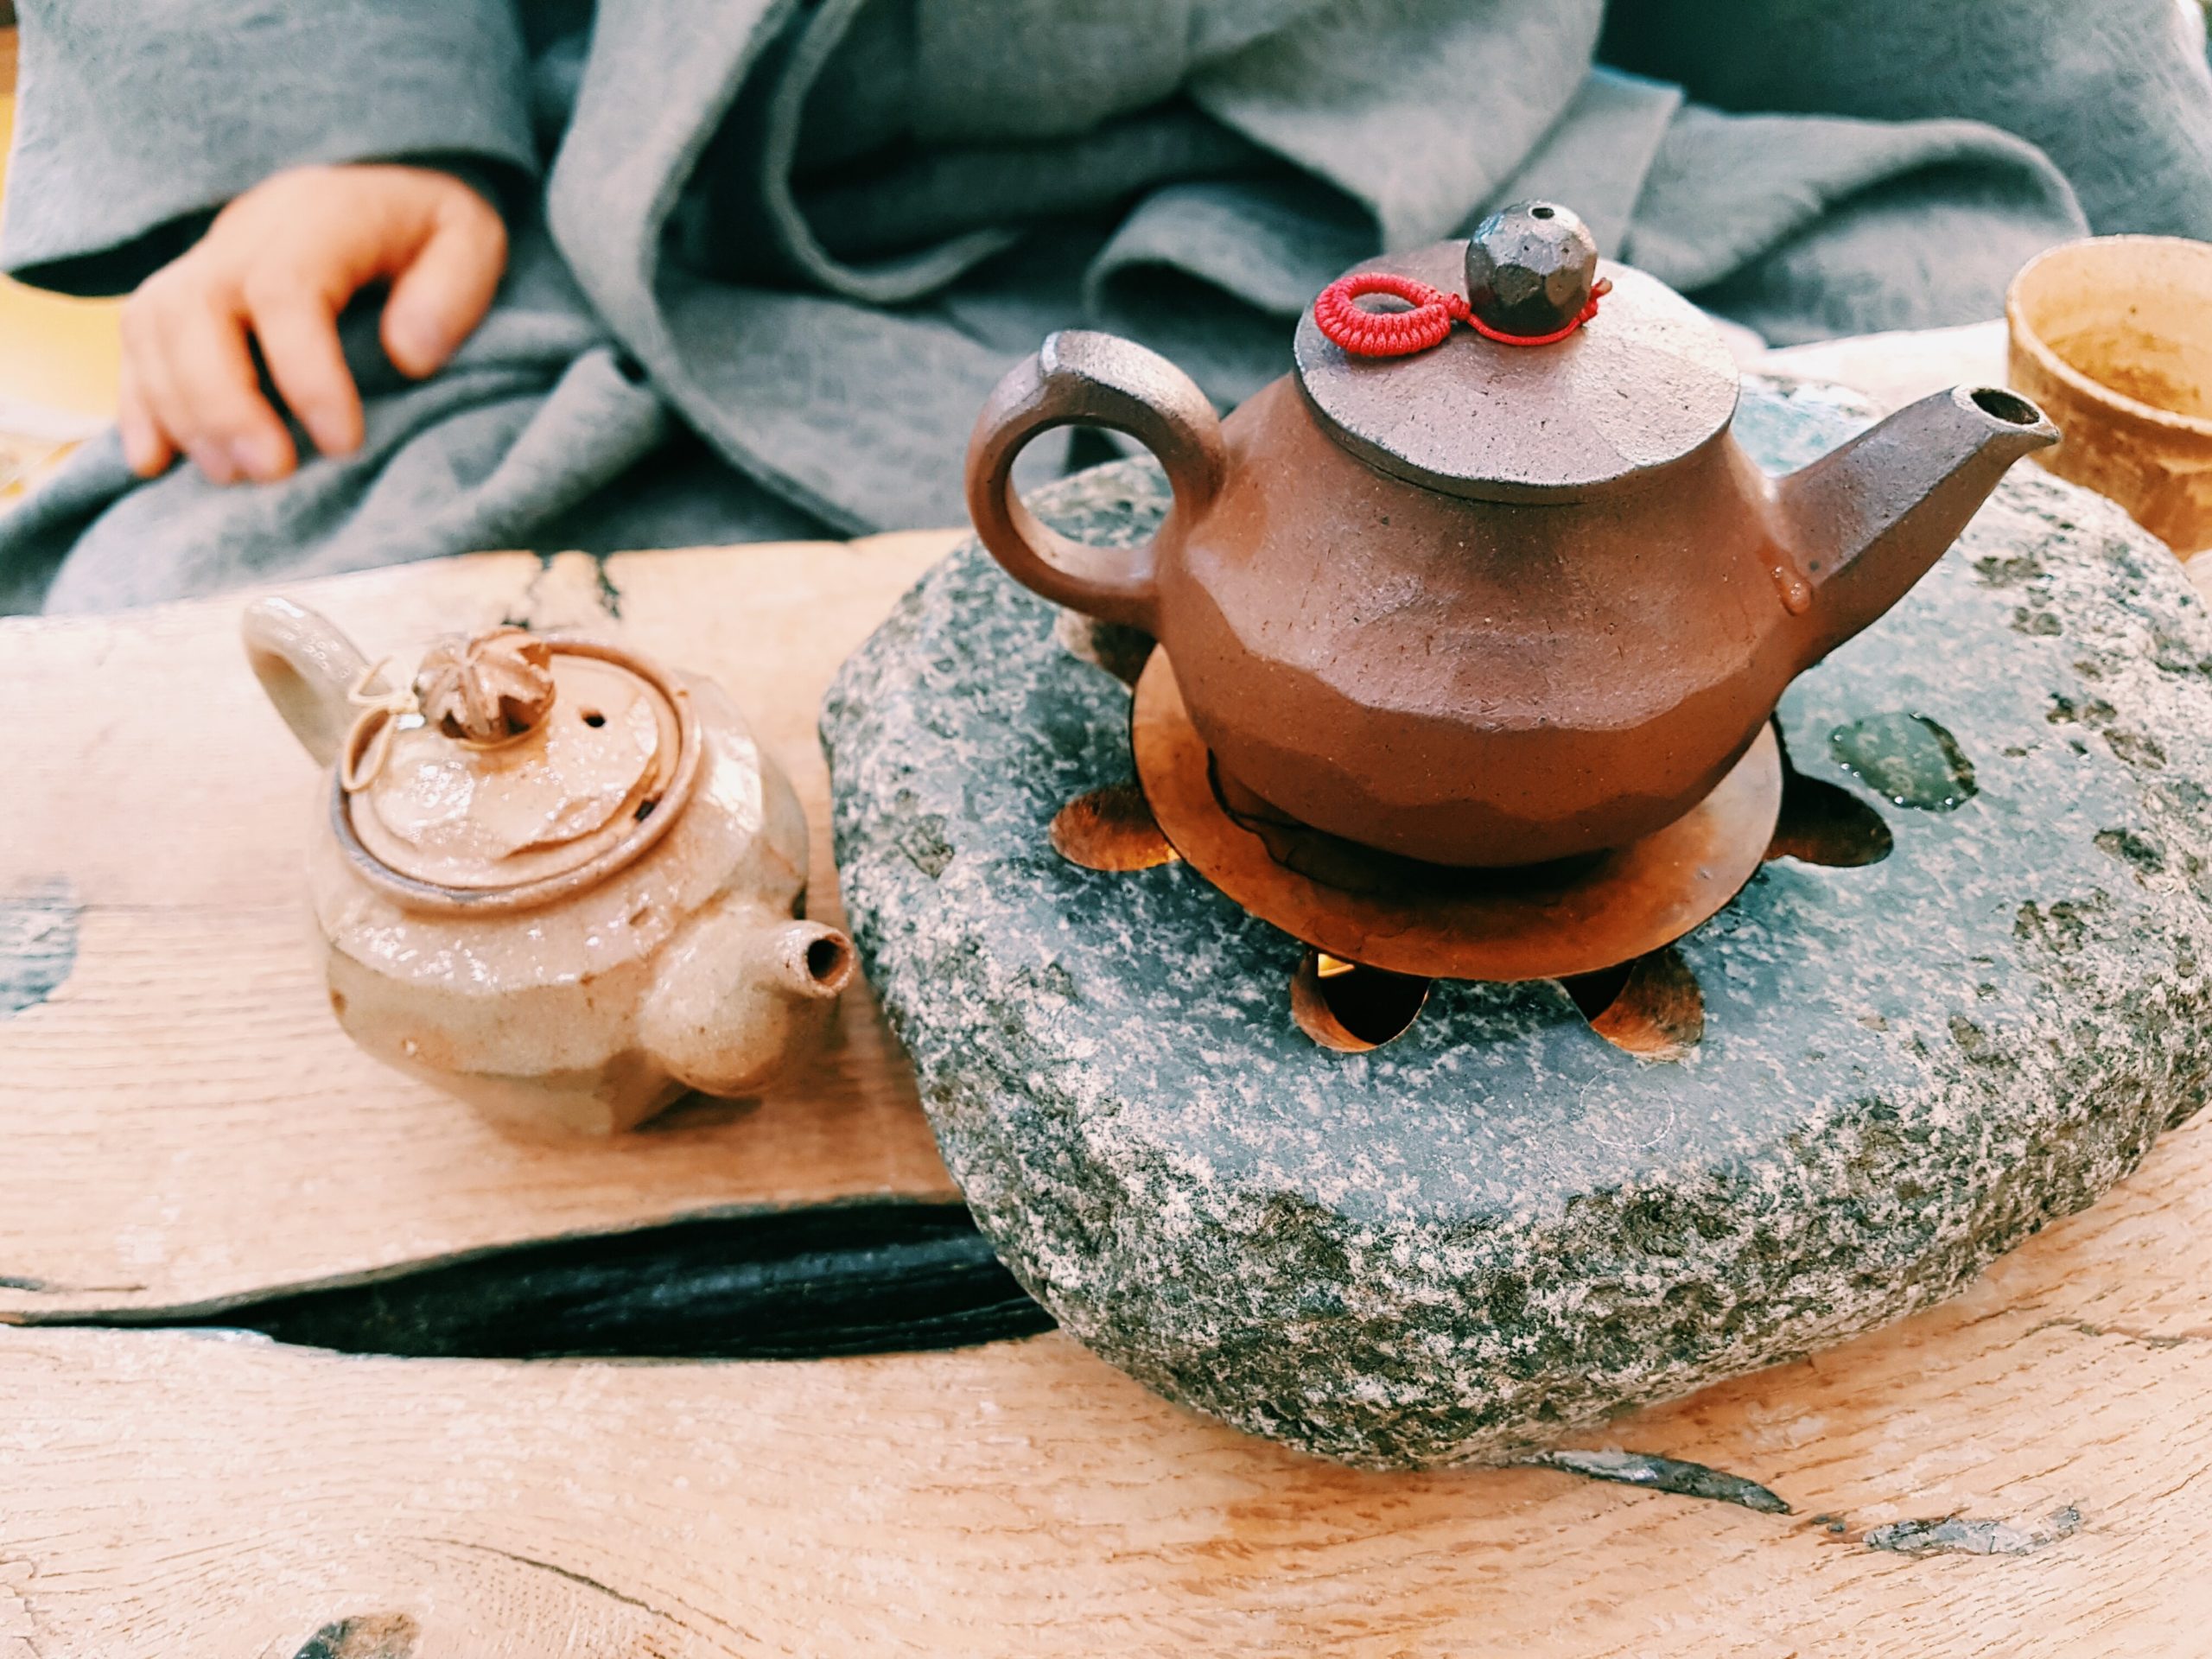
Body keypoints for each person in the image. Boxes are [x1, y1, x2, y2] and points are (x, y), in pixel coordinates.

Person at [3, 0, 2209, 613]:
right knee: (208, 598)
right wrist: (347, 118)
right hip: (696, 216)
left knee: (1989, 485)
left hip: (1475, 182)